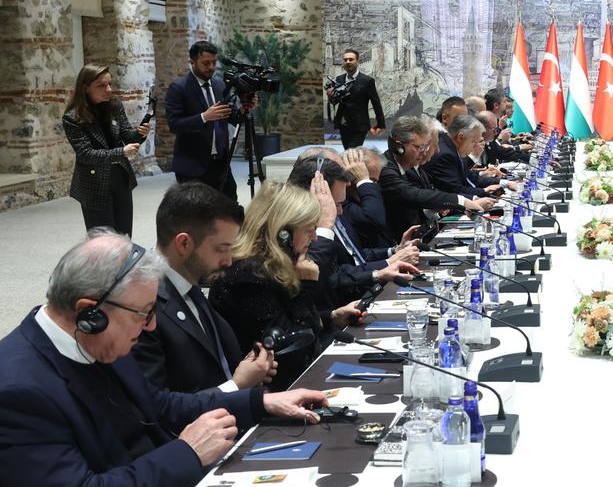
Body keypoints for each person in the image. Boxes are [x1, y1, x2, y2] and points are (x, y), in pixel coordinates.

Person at [0, 231, 324, 487]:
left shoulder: (96, 339)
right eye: (144, 313)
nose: (151, 325)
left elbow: (160, 406)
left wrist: (259, 402)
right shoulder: (17, 389)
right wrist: (188, 452)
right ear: (89, 312)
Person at [209, 181, 365, 390]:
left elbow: (292, 321)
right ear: (283, 234)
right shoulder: (248, 276)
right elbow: (296, 349)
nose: (315, 237)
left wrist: (332, 317)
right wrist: (306, 285)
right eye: (309, 229)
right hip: (270, 394)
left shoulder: (269, 265)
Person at [131, 183, 278, 394]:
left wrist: (248, 371)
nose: (229, 261)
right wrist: (236, 386)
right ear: (183, 244)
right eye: (221, 249)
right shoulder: (141, 306)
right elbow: (157, 407)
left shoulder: (189, 279)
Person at [285, 157, 418, 308]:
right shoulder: (300, 231)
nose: (341, 211)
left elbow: (356, 256)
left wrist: (393, 252)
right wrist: (325, 225)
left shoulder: (337, 214)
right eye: (336, 204)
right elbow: (330, 277)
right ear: (315, 193)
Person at [62, 63, 149, 235]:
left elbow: (126, 136)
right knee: (102, 242)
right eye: (101, 85)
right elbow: (86, 154)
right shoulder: (72, 118)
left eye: (110, 84)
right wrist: (121, 152)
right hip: (94, 183)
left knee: (124, 236)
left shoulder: (114, 107)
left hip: (120, 177)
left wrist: (140, 134)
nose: (108, 89)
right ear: (85, 88)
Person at [165, 40, 253, 201]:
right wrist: (204, 117)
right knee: (196, 216)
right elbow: (174, 125)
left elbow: (232, 117)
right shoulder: (178, 88)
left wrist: (244, 109)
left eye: (214, 63)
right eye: (206, 63)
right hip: (192, 165)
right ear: (192, 62)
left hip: (220, 163)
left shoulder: (219, 85)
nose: (211, 67)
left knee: (229, 208)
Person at [381, 116, 494, 241]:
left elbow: (430, 197)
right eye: (419, 147)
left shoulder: (413, 168)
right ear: (399, 147)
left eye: (425, 147)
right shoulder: (386, 169)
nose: (424, 152)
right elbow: (414, 195)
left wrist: (454, 207)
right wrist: (461, 201)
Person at [425, 114, 521, 198]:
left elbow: (471, 177)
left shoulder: (452, 148)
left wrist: (504, 183)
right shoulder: (446, 154)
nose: (475, 146)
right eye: (474, 141)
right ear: (460, 137)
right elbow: (456, 190)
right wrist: (483, 192)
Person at [326, 48, 385, 149]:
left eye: (351, 59)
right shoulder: (339, 79)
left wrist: (381, 124)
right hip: (343, 124)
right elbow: (335, 102)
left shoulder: (367, 81)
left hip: (360, 125)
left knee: (352, 152)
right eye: (345, 60)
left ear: (357, 61)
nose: (348, 62)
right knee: (348, 151)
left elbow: (376, 102)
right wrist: (330, 96)